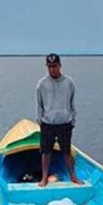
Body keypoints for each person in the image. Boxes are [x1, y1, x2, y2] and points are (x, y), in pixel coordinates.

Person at [36, 53, 81, 187]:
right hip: (48, 123)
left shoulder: (69, 83)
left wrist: (73, 119)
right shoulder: (41, 84)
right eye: (49, 67)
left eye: (54, 66)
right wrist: (40, 120)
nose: (52, 69)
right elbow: (39, 104)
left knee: (66, 151)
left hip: (65, 123)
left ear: (60, 66)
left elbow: (72, 102)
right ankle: (44, 178)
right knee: (46, 152)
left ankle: (73, 176)